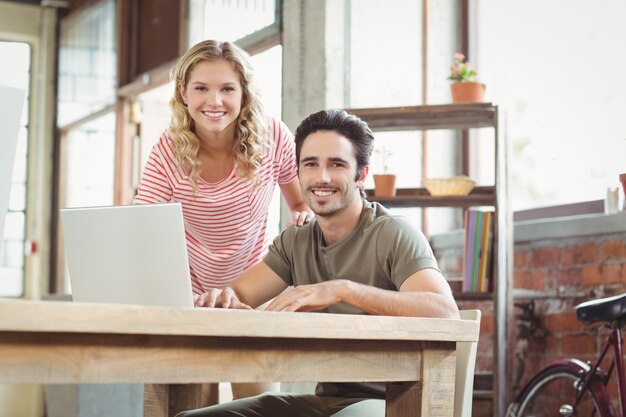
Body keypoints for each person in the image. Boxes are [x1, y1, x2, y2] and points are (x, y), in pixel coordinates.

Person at [178, 109, 459, 417]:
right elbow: (238, 296)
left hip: (392, 403)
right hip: (323, 403)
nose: (321, 177)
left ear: (362, 173)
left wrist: (343, 290)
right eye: (310, 164)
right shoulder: (295, 241)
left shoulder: (393, 232)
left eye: (336, 164)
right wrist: (222, 298)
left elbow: (444, 312)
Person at [134, 40, 311, 399]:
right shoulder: (168, 150)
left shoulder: (273, 136)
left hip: (253, 290)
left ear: (244, 93)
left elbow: (299, 204)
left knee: (259, 404)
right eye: (201, 88)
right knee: (193, 405)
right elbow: (141, 222)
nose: (214, 101)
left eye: (227, 89)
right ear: (183, 92)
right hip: (189, 296)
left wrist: (304, 215)